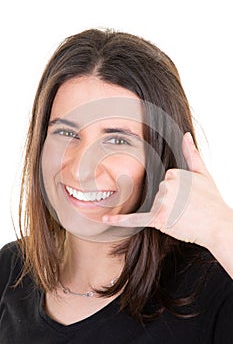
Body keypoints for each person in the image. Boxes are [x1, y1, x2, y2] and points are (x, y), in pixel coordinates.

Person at [0, 28, 233, 343]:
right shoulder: (11, 269)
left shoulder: (211, 286)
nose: (82, 168)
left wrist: (223, 230)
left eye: (116, 139)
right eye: (66, 133)